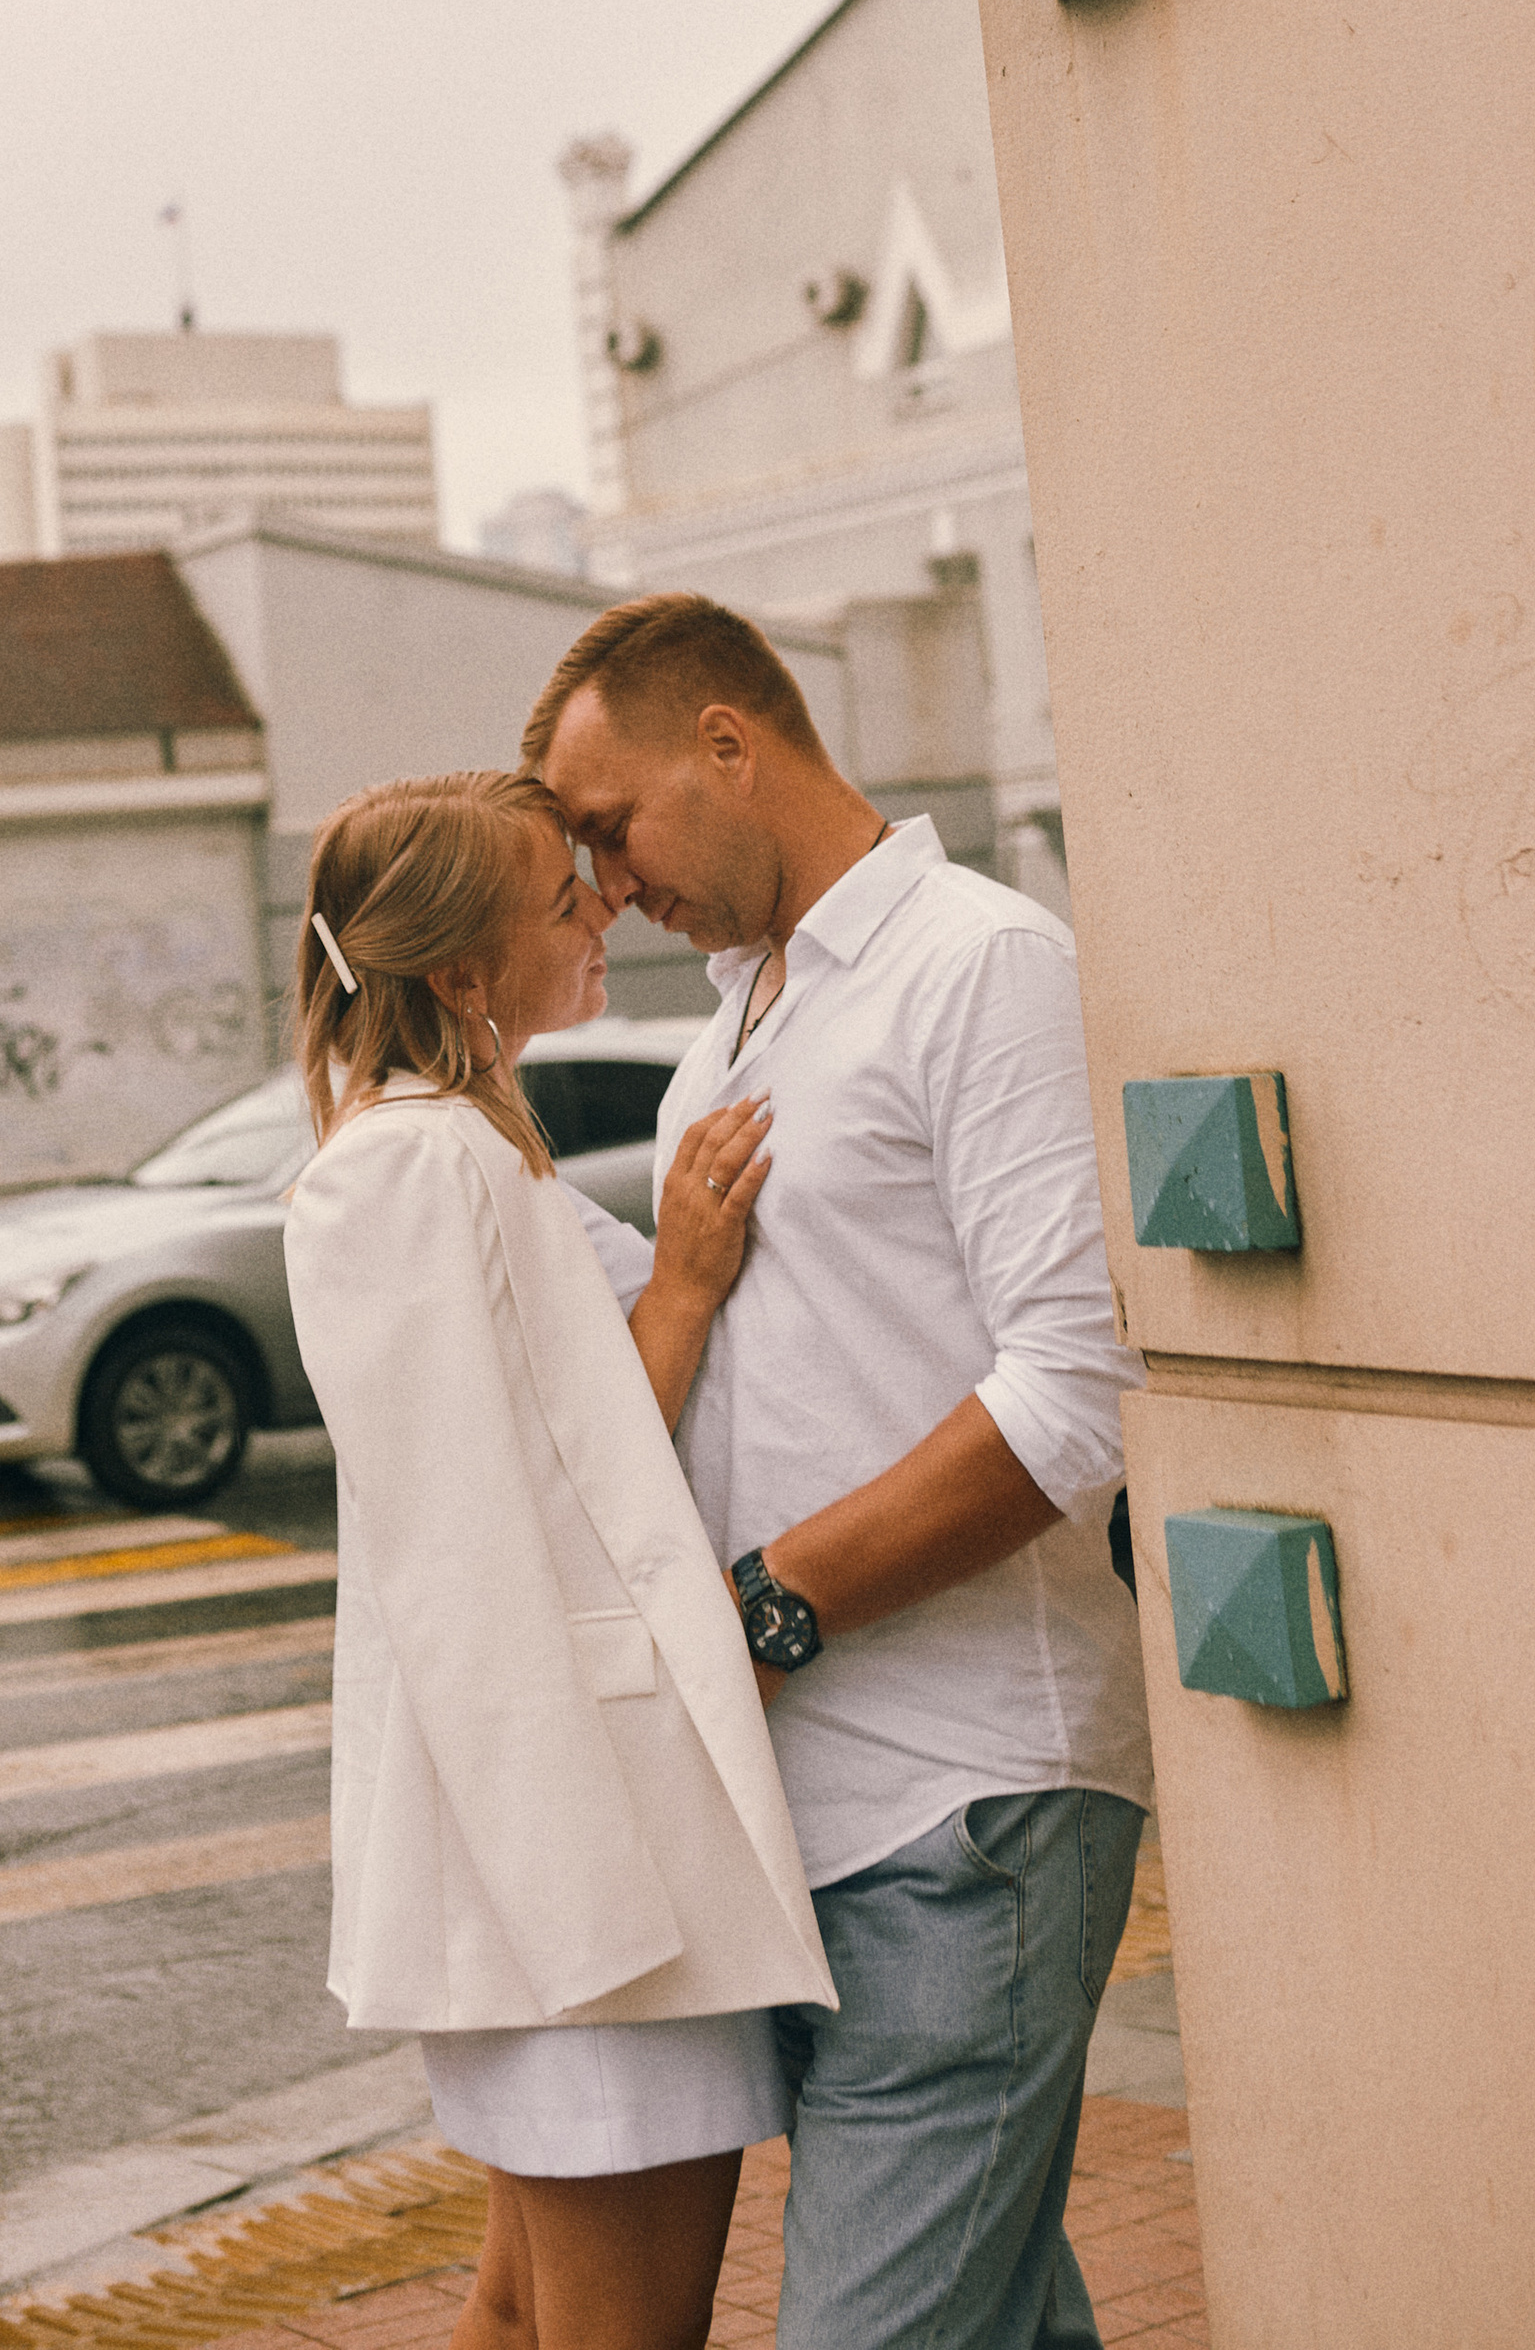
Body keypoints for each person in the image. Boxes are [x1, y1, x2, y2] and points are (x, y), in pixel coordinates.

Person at [523, 595, 1153, 2350]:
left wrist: (758, 1614)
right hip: (809, 1826)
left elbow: (1075, 1393)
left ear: (731, 741)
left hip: (966, 1808)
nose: (603, 881)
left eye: (611, 826)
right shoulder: (730, 1023)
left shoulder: (979, 963)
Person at [282, 769, 837, 2350]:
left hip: (591, 1865)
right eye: (561, 901)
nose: (600, 909)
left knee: (524, 2317)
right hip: (583, 1869)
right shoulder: (404, 1168)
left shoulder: (459, 1146)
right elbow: (483, 1532)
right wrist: (683, 1286)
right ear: (462, 972)